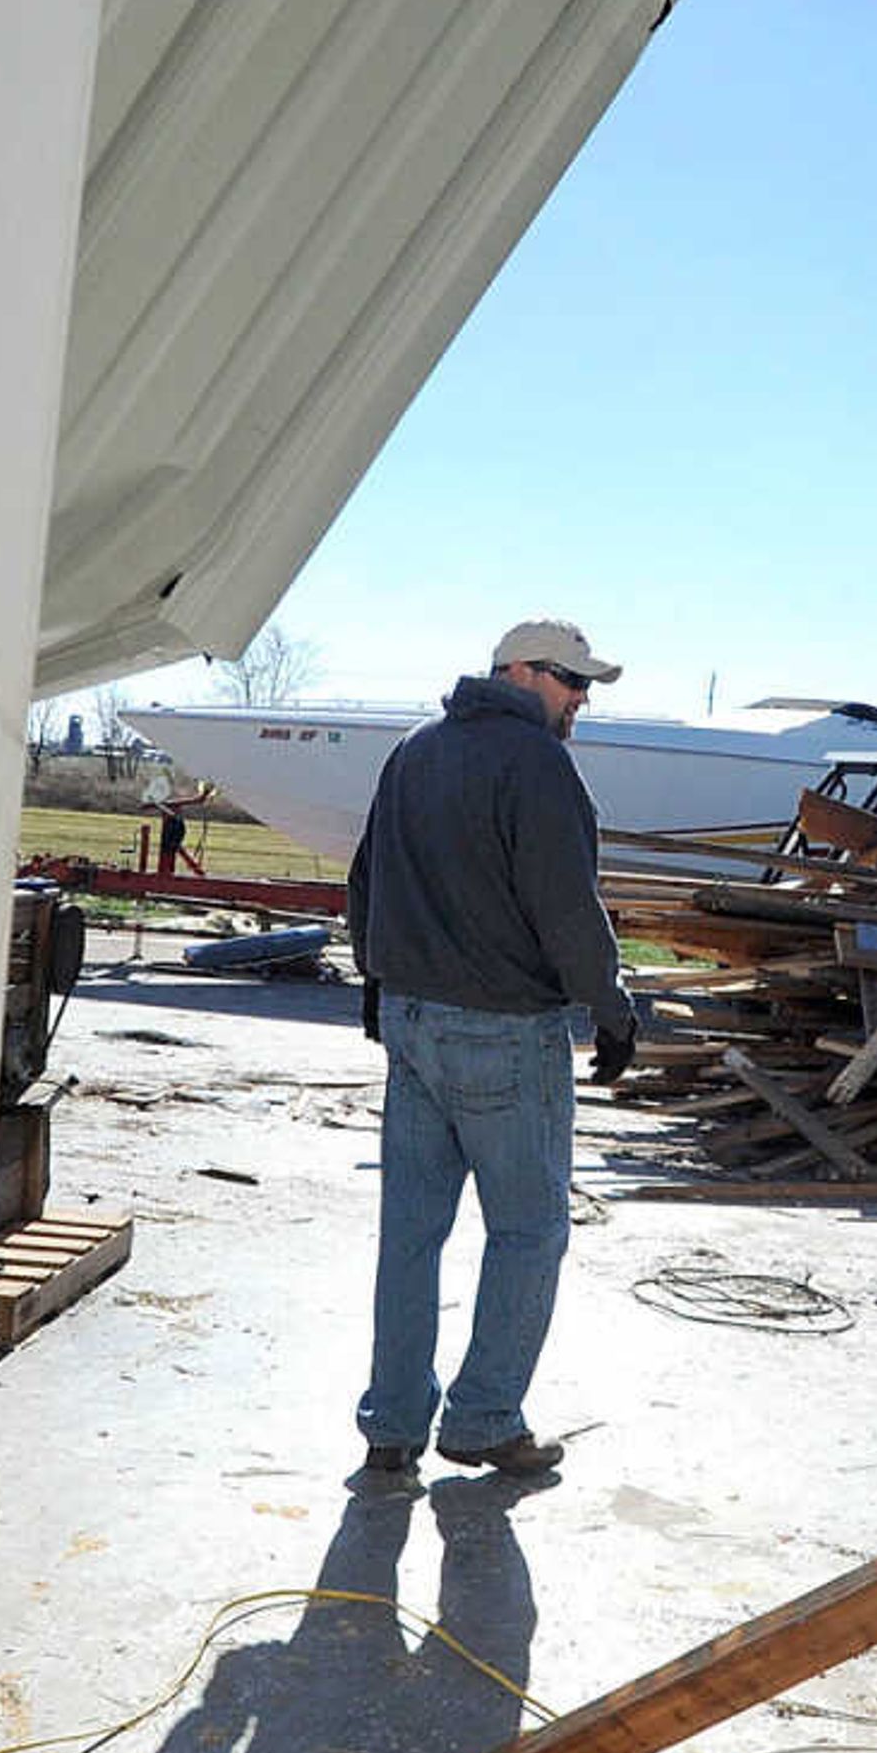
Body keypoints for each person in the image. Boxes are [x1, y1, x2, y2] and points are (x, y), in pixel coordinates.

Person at [343, 618, 639, 1480]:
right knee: (529, 1231)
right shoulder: (537, 764)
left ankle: (391, 1425)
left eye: (586, 685)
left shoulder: (415, 750)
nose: (581, 699)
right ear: (515, 672)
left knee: (410, 1232)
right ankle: (481, 1419)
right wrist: (611, 1010)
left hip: (413, 1024)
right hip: (504, 1035)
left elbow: (367, 878)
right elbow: (567, 908)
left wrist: (375, 975)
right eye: (569, 680)